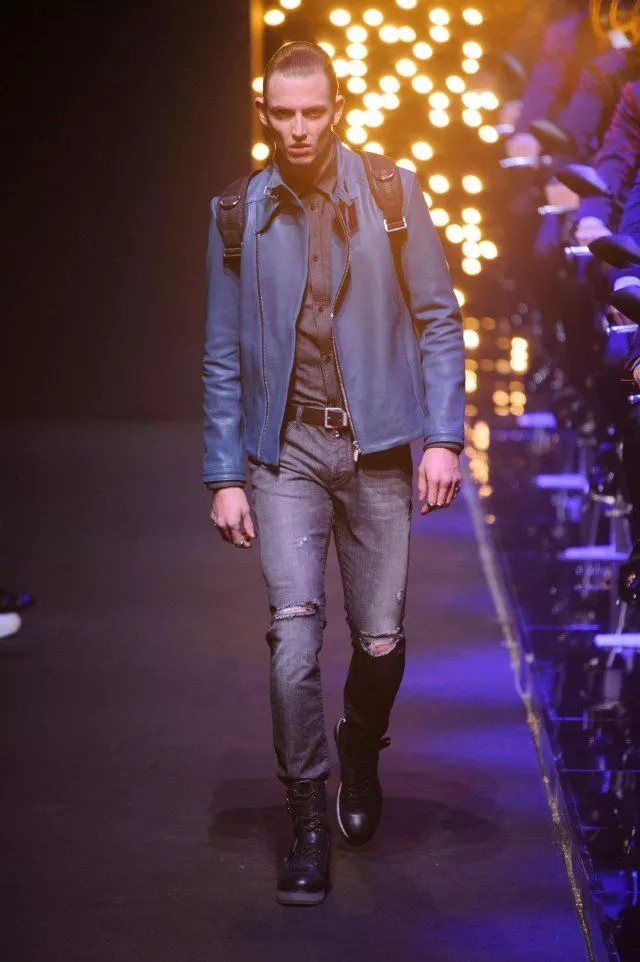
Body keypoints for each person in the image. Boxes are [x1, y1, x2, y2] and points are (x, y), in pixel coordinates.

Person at [202, 41, 465, 906]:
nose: (300, 128)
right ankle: (308, 814)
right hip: (284, 455)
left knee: (381, 643)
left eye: (313, 111)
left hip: (378, 451)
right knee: (293, 644)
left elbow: (438, 318)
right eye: (284, 113)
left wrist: (444, 438)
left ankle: (359, 742)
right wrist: (224, 473)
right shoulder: (236, 211)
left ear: (338, 110)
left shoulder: (391, 190)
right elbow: (222, 353)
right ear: (265, 114)